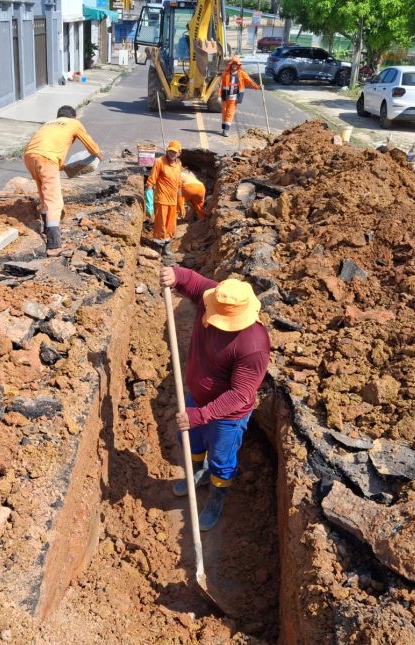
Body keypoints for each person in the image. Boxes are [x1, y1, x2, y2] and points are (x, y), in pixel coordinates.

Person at [159, 266, 270, 531]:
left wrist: (199, 415)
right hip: (196, 397)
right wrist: (174, 274)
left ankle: (217, 497)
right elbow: (193, 281)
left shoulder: (253, 345)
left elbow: (240, 394)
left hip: (227, 417)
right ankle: (197, 474)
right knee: (191, 441)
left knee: (221, 459)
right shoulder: (217, 297)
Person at [23, 105, 103, 256]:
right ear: (73, 117)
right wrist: (98, 154)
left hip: (29, 156)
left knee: (44, 192)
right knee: (54, 200)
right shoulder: (73, 123)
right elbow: (90, 144)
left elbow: (44, 145)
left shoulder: (48, 123)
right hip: (47, 158)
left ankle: (47, 227)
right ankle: (53, 245)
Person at [146, 140, 183, 255]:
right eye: (170, 151)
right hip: (161, 199)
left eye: (174, 152)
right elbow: (150, 183)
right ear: (167, 150)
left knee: (170, 226)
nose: (172, 153)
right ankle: (157, 246)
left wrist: (181, 203)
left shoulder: (179, 164)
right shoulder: (159, 162)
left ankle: (166, 246)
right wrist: (149, 203)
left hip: (173, 201)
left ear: (179, 153)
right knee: (160, 225)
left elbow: (179, 185)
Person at [219, 56, 261, 137]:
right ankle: (224, 128)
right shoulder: (225, 73)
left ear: (238, 65)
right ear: (231, 64)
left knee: (230, 113)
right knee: (224, 112)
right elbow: (220, 85)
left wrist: (258, 87)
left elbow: (250, 81)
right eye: (233, 64)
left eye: (236, 64)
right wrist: (219, 94)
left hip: (234, 98)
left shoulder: (242, 74)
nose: (234, 66)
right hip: (225, 97)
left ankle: (226, 130)